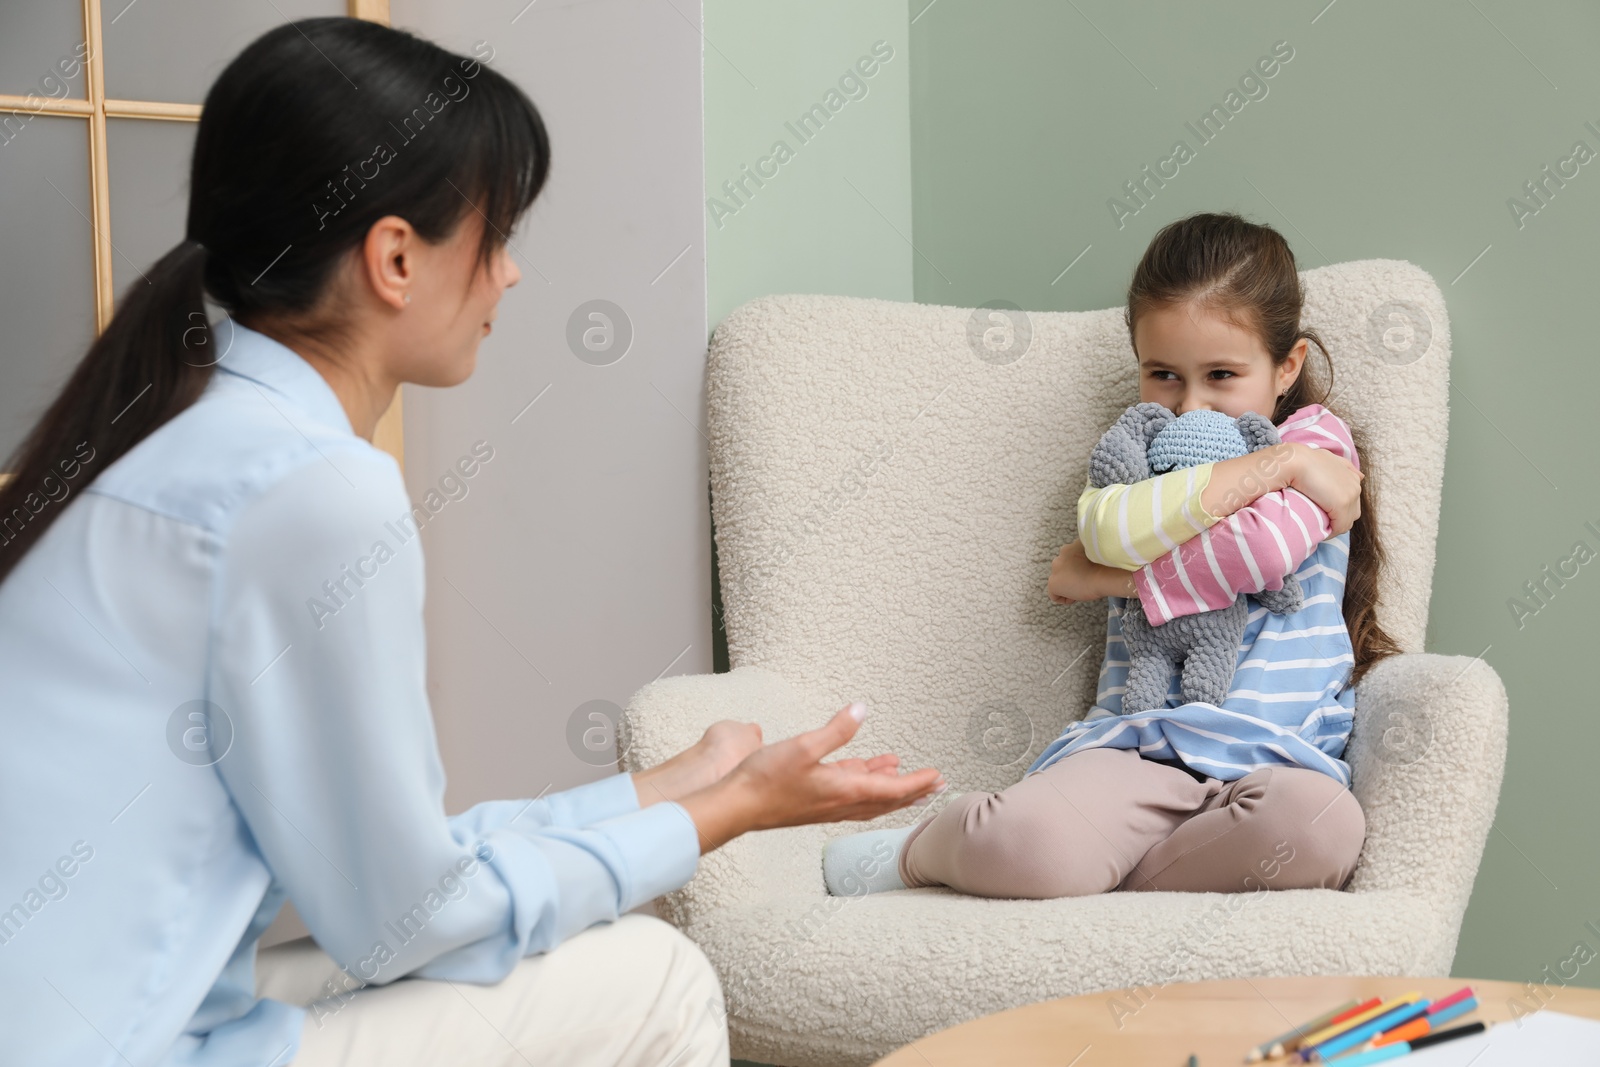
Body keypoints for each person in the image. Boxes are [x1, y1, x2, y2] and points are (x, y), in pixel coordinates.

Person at [0, 18, 943, 1067]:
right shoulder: (313, 492)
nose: (508, 278)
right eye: (494, 238)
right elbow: (409, 920)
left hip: (112, 1012)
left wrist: (667, 786)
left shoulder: (179, 436)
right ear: (396, 257)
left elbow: (397, 878)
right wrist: (723, 813)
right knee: (654, 975)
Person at [822, 212, 1399, 900]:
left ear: (1287, 368)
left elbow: (1262, 550)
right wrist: (1283, 468)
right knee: (1027, 845)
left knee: (1321, 829)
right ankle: (921, 849)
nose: (1189, 408)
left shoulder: (1319, 440)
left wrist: (1105, 578)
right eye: (1163, 374)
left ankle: (1109, 877)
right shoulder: (1142, 452)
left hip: (1276, 759)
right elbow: (1111, 531)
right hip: (1138, 744)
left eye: (1222, 374)